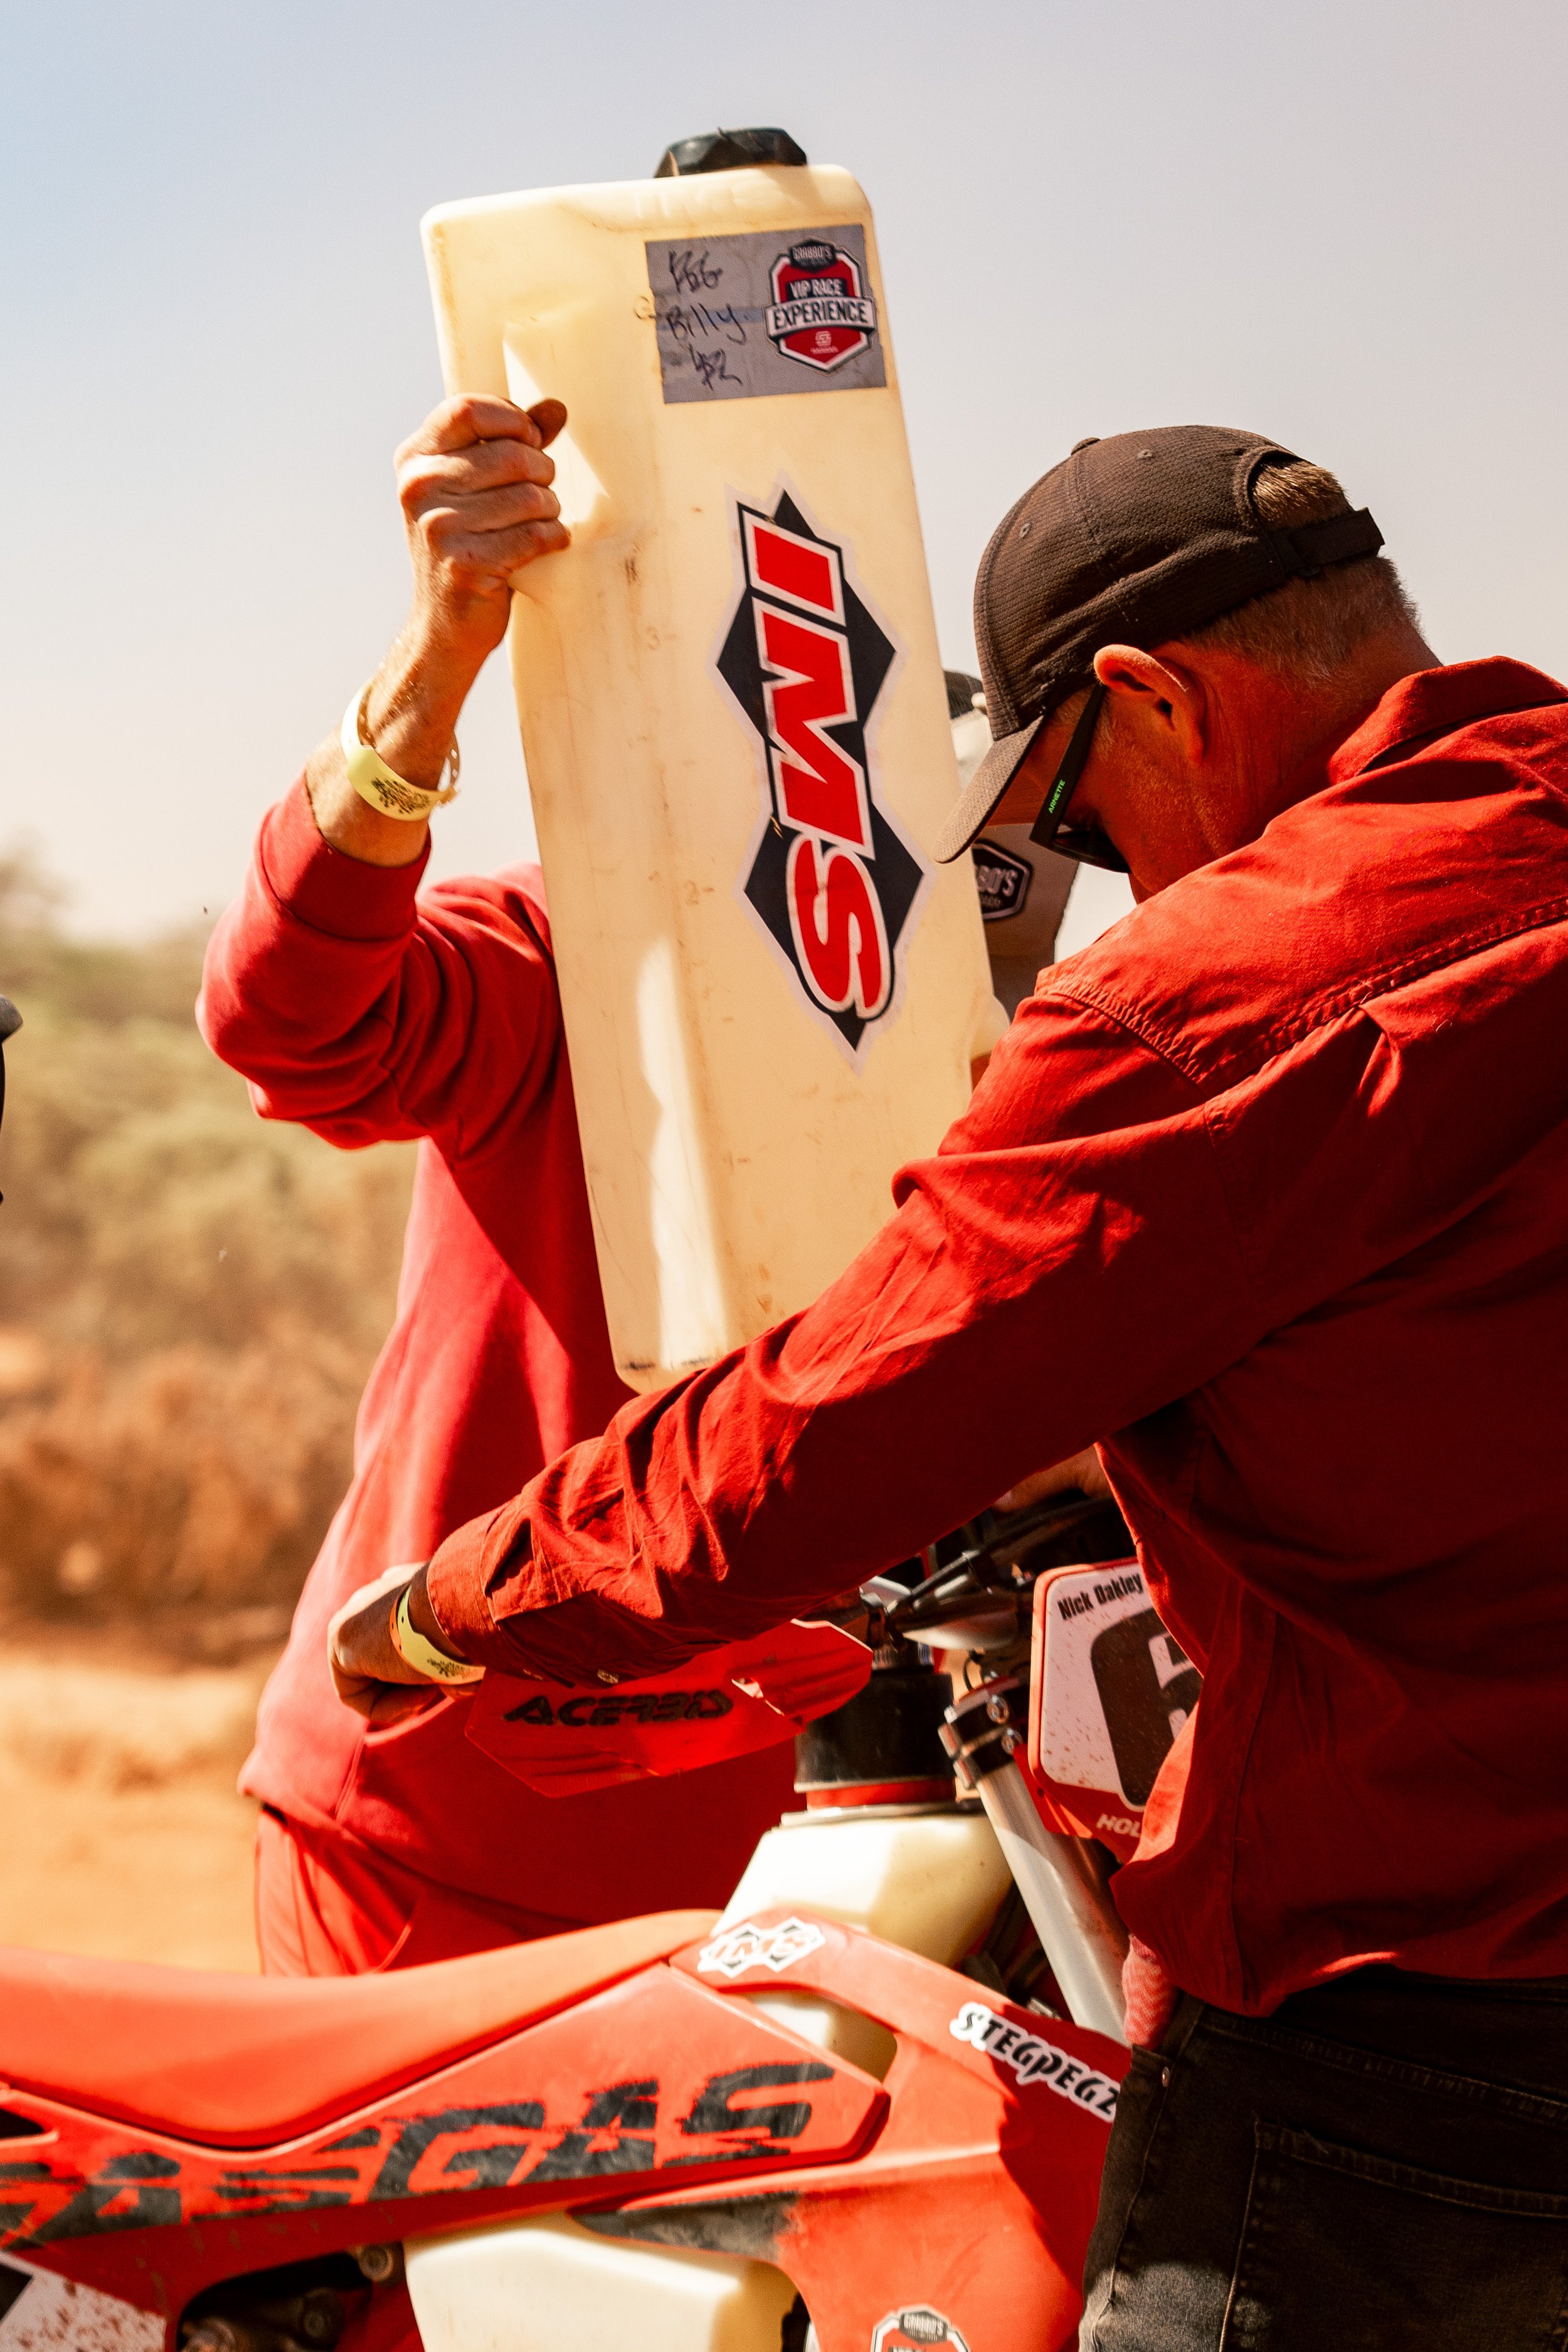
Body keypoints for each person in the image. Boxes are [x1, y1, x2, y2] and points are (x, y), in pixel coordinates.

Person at [336, 423, 1568, 2345]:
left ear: (1157, 698)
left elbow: (847, 1412)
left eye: (1072, 819)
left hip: (1425, 1997)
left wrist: (458, 1597)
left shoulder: (1221, 992)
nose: (1087, 883)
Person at [199, 393, 809, 1973]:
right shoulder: (571, 957)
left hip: (817, 1880)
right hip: (437, 1849)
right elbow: (291, 1021)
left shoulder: (1007, 1037)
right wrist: (438, 660)